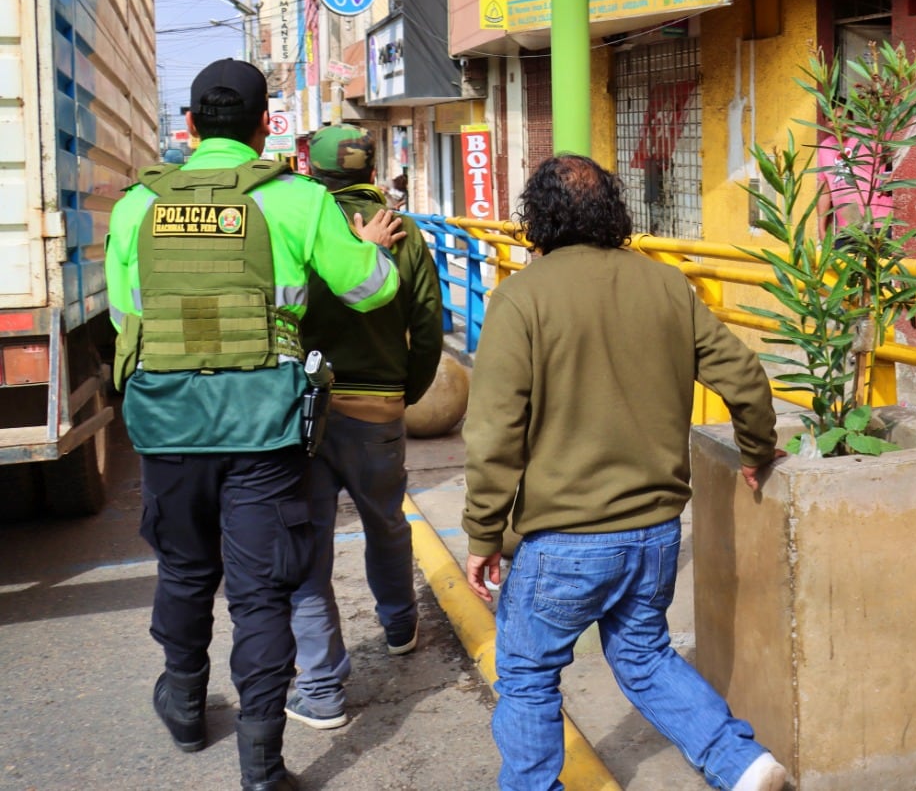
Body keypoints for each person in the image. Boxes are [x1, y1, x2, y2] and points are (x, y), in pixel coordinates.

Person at [107, 60, 403, 791]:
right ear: (265, 126)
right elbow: (371, 291)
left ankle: (184, 704)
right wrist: (376, 251)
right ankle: (263, 766)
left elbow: (124, 317)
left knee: (183, 570)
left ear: (190, 127)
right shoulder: (297, 198)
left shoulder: (135, 207)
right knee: (261, 592)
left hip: (169, 424)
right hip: (266, 427)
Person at [461, 155, 788, 791]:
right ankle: (742, 763)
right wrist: (756, 450)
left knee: (527, 674)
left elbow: (494, 433)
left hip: (563, 538)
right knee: (643, 656)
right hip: (655, 533)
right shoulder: (665, 285)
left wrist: (483, 535)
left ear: (538, 219)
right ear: (612, 211)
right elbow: (746, 377)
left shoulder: (520, 298)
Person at [283, 125, 445, 730]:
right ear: (372, 172)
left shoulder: (300, 221)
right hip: (379, 404)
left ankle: (321, 684)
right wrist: (408, 392)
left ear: (313, 171)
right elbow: (427, 322)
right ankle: (400, 625)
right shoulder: (406, 232)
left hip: (307, 407)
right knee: (386, 521)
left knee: (309, 542)